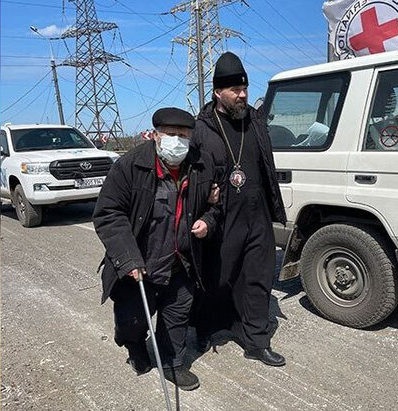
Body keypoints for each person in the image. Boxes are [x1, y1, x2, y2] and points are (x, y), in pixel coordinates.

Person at [93, 107, 221, 391]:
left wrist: (207, 221)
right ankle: (135, 346)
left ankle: (173, 363)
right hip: (139, 262)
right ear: (155, 136)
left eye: (184, 136)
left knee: (176, 315)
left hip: (182, 260)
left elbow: (215, 206)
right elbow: (108, 213)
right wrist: (128, 260)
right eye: (171, 135)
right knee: (133, 319)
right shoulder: (129, 166)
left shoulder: (202, 164)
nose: (177, 141)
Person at [191, 52, 288, 367]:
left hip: (256, 213)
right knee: (216, 277)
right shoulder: (202, 128)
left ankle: (256, 341)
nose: (243, 94)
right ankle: (206, 329)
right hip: (223, 216)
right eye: (235, 89)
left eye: (244, 87)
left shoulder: (255, 121)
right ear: (218, 92)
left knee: (259, 278)